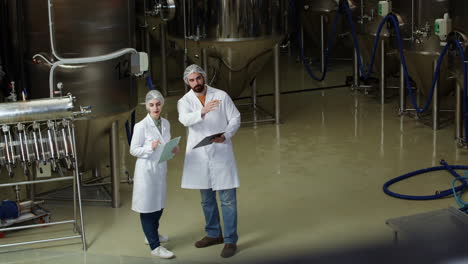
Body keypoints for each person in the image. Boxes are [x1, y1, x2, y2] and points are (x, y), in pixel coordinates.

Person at [177, 64, 241, 258]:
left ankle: (230, 240)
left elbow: (235, 118)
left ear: (203, 77)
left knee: (228, 200)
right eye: (192, 80)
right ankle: (214, 234)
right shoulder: (185, 101)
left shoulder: (221, 95)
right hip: (200, 155)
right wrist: (202, 111)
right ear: (187, 82)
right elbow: (184, 120)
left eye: (198, 78)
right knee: (206, 200)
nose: (196, 83)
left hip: (221, 150)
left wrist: (226, 135)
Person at [130, 90, 177, 259]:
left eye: (158, 104)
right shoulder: (141, 126)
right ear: (147, 106)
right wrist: (151, 147)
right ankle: (155, 247)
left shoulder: (165, 123)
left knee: (158, 205)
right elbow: (133, 150)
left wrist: (172, 149)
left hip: (160, 170)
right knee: (147, 208)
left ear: (162, 105)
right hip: (146, 171)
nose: (155, 108)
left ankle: (151, 234)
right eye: (152, 105)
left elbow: (166, 146)